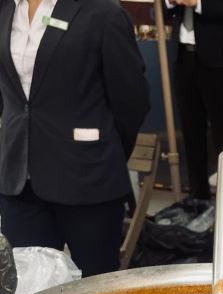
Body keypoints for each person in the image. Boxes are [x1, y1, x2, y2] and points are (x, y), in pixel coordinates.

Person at [0, 0, 150, 277]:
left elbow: (132, 101)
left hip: (88, 180)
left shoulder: (102, 13)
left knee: (95, 290)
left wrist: (100, 152)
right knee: (28, 289)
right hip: (19, 183)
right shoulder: (6, 10)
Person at [168, 0, 223, 200]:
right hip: (182, 57)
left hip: (216, 60)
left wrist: (196, 3)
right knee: (190, 131)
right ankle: (197, 196)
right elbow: (161, 12)